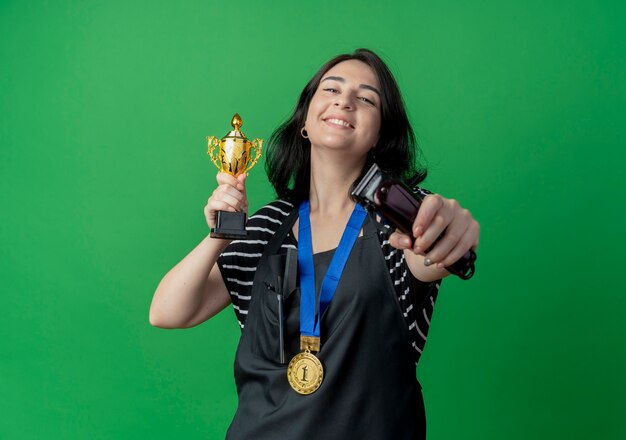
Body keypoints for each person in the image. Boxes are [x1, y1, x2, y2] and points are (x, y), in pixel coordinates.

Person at [150, 48, 480, 439]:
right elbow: (168, 313)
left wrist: (451, 229)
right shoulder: (266, 226)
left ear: (379, 133)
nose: (345, 100)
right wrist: (219, 236)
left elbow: (437, 242)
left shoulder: (400, 216)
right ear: (306, 118)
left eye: (366, 98)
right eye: (332, 89)